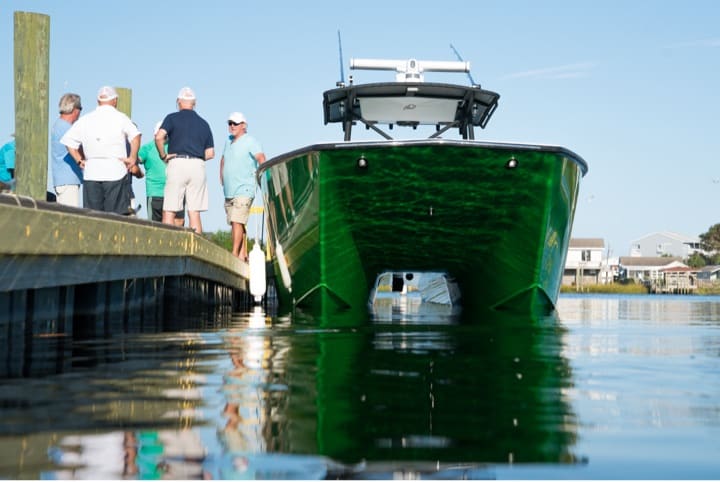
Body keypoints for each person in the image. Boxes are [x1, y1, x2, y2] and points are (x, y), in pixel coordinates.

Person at [62, 86, 141, 215]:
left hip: (92, 171)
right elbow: (136, 136)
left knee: (93, 217)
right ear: (115, 100)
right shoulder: (121, 118)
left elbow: (68, 141)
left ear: (98, 101)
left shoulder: (86, 120)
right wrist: (132, 157)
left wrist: (78, 160)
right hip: (115, 171)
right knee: (115, 217)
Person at [155, 87, 214, 233]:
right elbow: (211, 153)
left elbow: (159, 137)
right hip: (198, 165)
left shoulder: (172, 118)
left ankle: (167, 250)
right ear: (194, 103)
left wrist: (163, 155)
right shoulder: (204, 123)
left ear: (178, 102)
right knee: (194, 212)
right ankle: (197, 252)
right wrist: (197, 156)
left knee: (170, 210)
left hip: (177, 162)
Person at [220, 112, 266, 261]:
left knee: (237, 220)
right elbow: (223, 158)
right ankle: (242, 255)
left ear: (243, 126)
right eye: (230, 123)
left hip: (245, 188)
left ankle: (234, 255)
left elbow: (261, 157)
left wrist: (263, 176)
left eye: (235, 123)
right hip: (229, 190)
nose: (232, 126)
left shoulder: (250, 141)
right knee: (236, 223)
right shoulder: (228, 141)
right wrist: (221, 175)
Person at [138, 122, 184, 225]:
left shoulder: (175, 145)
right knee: (155, 226)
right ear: (155, 134)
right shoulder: (147, 148)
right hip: (155, 193)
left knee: (177, 225)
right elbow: (135, 161)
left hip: (174, 192)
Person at [50, 93, 83, 206]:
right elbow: (79, 149)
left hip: (62, 180)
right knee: (70, 219)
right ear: (75, 109)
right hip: (68, 181)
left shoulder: (58, 125)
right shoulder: (67, 128)